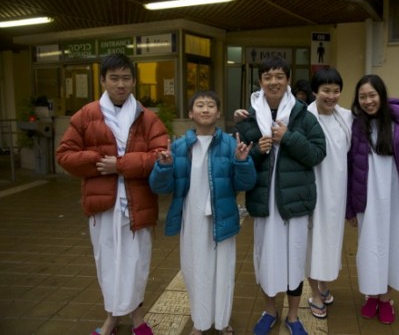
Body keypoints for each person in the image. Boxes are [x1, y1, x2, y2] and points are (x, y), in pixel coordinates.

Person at [55, 52, 168, 335]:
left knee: (137, 262)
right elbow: (65, 155)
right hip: (103, 205)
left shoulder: (147, 117)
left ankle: (138, 318)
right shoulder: (86, 115)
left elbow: (161, 155)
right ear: (103, 80)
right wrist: (98, 160)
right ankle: (113, 318)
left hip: (137, 204)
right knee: (108, 261)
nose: (121, 84)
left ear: (134, 82)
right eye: (114, 78)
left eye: (126, 78)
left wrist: (119, 165)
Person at [148, 91, 257, 335]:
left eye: (211, 106)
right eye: (200, 105)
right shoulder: (178, 147)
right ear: (190, 113)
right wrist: (163, 167)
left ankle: (222, 321)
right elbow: (161, 187)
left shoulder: (230, 144)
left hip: (223, 218)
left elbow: (245, 184)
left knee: (223, 272)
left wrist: (242, 162)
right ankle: (200, 321)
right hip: (192, 219)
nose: (205, 109)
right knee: (194, 269)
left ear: (219, 113)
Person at [235, 56, 326, 335]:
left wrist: (287, 137)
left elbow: (317, 153)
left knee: (294, 259)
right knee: (266, 259)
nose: (273, 81)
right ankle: (270, 311)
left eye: (279, 76)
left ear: (287, 80)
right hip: (265, 205)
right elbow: (242, 163)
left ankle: (294, 316)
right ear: (260, 82)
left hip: (294, 203)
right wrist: (257, 151)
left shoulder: (302, 115)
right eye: (267, 77)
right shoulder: (248, 118)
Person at [346, 74, 399, 325]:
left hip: (395, 196)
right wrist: (350, 208)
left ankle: (385, 299)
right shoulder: (357, 125)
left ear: (382, 95)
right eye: (362, 97)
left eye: (372, 95)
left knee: (393, 247)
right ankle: (372, 294)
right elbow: (349, 167)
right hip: (367, 197)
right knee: (369, 248)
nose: (368, 101)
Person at [304, 67, 352, 319]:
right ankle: (313, 293)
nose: (331, 96)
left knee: (332, 241)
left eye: (336, 91)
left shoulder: (345, 117)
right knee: (314, 243)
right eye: (325, 90)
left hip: (337, 192)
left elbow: (377, 115)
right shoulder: (304, 116)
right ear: (315, 91)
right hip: (313, 190)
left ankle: (323, 284)